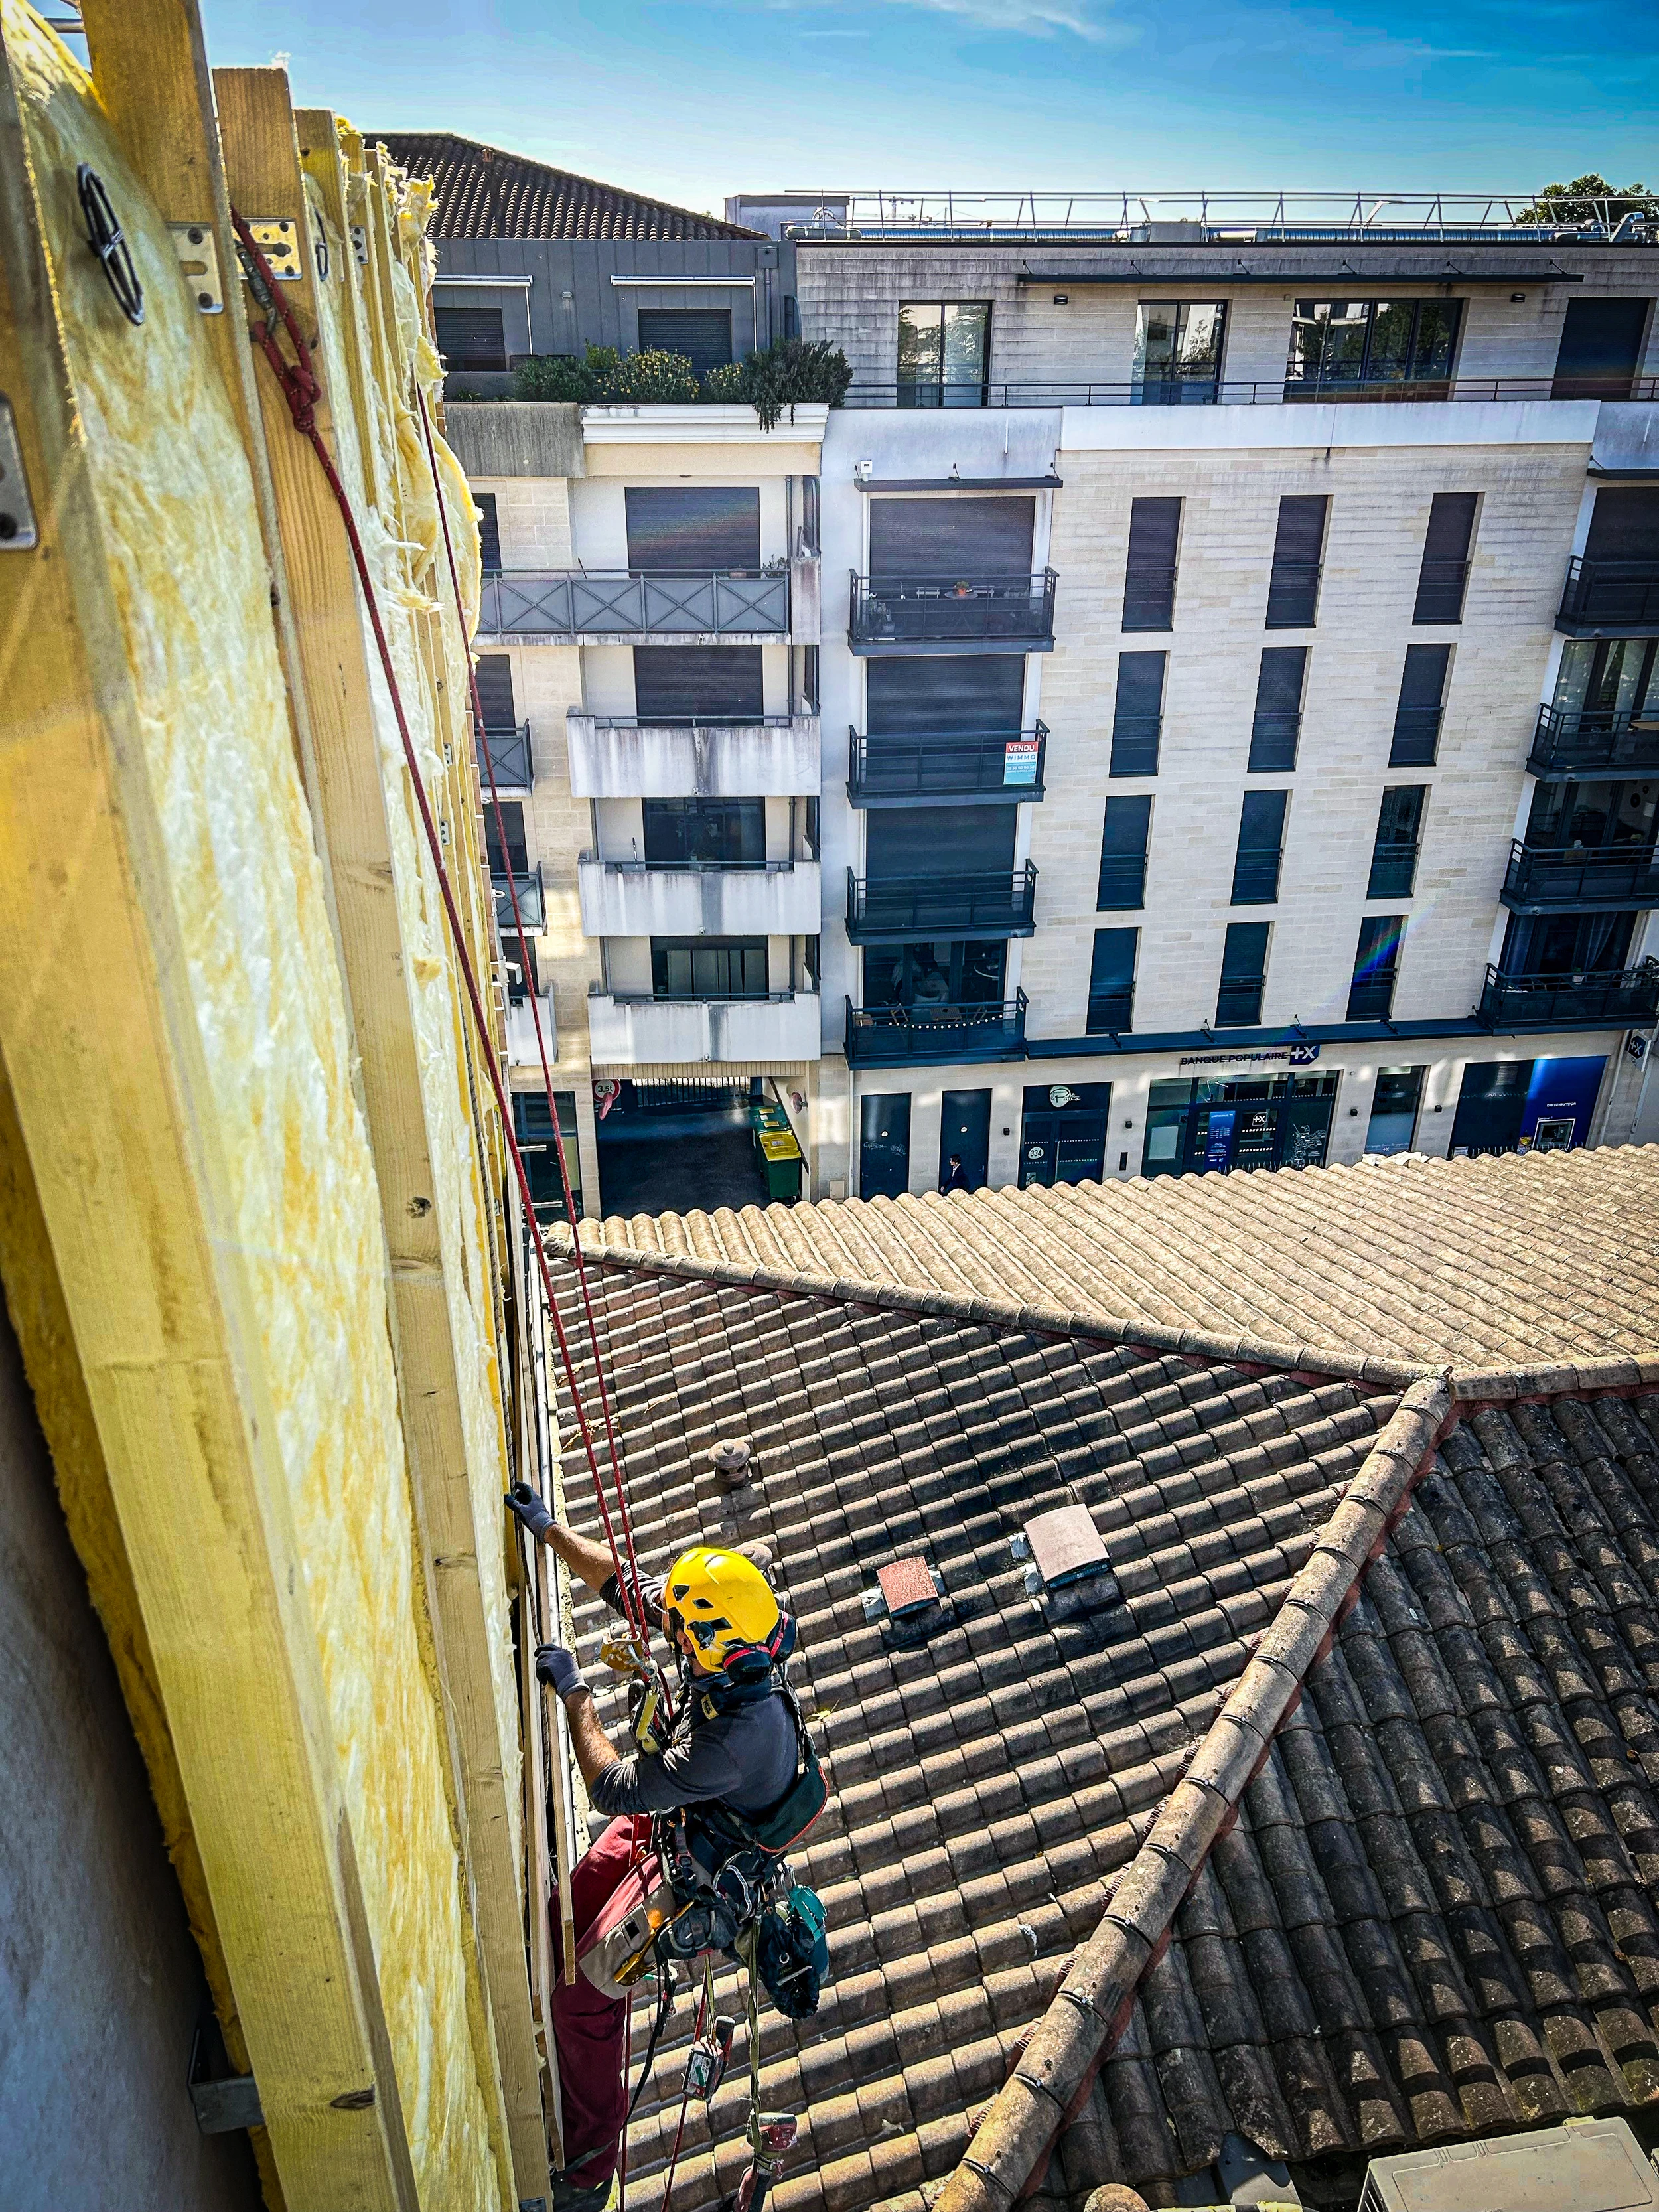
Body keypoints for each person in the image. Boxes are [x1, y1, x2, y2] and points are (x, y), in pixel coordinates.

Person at [504, 1488, 800, 2212]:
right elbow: (627, 1588)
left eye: (683, 1625)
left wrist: (576, 1694)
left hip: (696, 1878)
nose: (672, 1629)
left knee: (583, 1999)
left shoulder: (733, 1737)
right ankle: (546, 2023)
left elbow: (611, 1785)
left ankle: (589, 2168)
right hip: (682, 1822)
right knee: (564, 1911)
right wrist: (548, 1529)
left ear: (715, 1638)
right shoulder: (732, 1634)